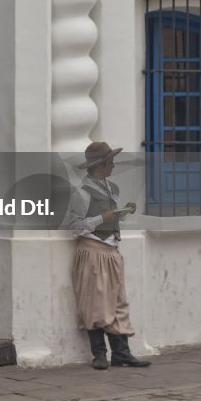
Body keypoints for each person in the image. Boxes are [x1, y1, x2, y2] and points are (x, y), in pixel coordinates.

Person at [62, 141, 151, 370]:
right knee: (95, 303)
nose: (113, 166)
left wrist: (121, 214)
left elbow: (108, 218)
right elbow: (75, 226)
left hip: (111, 252)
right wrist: (104, 218)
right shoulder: (82, 193)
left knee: (118, 302)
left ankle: (122, 353)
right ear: (101, 165)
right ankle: (99, 354)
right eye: (110, 162)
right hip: (93, 252)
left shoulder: (109, 188)